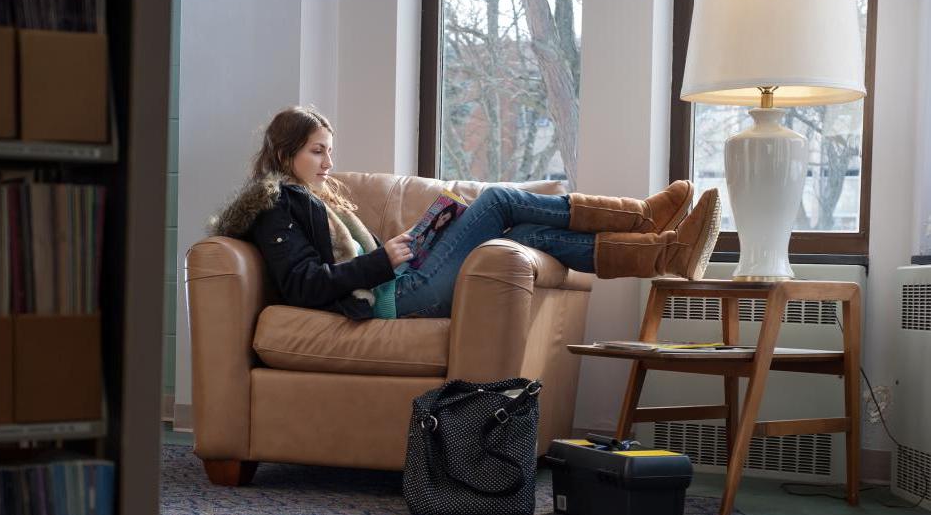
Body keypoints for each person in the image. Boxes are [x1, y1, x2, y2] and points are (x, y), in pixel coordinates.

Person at [211, 105, 721, 320]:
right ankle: (642, 218)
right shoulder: (275, 207)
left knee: (520, 228)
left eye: (329, 150)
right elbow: (304, 284)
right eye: (317, 151)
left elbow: (365, 256)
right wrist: (384, 261)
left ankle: (661, 252)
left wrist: (417, 237)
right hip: (394, 298)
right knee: (498, 201)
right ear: (284, 156)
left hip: (399, 276)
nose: (329, 162)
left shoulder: (318, 197)